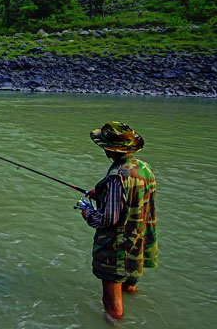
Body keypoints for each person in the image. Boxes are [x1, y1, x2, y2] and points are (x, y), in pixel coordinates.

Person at [80, 121, 158, 321]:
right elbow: (136, 197)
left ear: (108, 150)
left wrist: (88, 213)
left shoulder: (117, 177)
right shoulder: (144, 168)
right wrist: (102, 194)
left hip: (117, 247)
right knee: (129, 284)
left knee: (112, 307)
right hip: (138, 240)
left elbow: (108, 219)